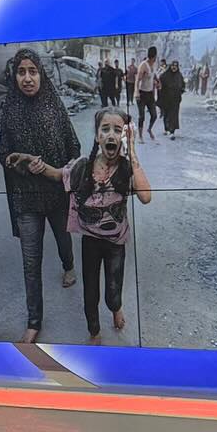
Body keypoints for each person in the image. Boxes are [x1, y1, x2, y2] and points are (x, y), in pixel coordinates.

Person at [26, 107, 151, 343]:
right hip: (90, 241)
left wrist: (133, 153)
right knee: (90, 291)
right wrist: (39, 167)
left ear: (124, 137)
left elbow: (146, 196)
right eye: (106, 129)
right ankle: (94, 331)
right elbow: (58, 175)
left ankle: (116, 308)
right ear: (97, 136)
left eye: (118, 130)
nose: (111, 135)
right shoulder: (83, 166)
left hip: (116, 242)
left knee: (113, 291)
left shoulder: (126, 169)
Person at [0, 50, 80, 344]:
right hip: (26, 197)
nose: (27, 78)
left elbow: (74, 147)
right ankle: (34, 321)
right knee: (30, 261)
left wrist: (58, 171)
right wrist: (18, 161)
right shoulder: (10, 110)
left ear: (41, 74)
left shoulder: (54, 106)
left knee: (63, 240)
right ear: (15, 76)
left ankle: (68, 266)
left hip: (56, 194)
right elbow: (3, 154)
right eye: (22, 72)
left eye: (33, 71)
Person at [135, 45, 160, 140]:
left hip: (150, 94)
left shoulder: (154, 65)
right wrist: (137, 93)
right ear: (153, 56)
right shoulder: (143, 65)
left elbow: (154, 75)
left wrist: (158, 82)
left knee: (154, 115)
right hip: (142, 93)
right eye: (155, 57)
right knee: (142, 116)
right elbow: (137, 80)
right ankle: (140, 135)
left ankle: (149, 129)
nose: (155, 59)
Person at [160, 59, 187, 139]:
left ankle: (172, 131)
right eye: (172, 66)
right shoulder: (165, 75)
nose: (174, 67)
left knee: (174, 115)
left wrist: (181, 90)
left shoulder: (179, 75)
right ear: (170, 66)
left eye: (175, 66)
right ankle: (166, 128)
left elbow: (183, 85)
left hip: (175, 99)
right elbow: (160, 81)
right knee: (166, 114)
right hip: (166, 98)